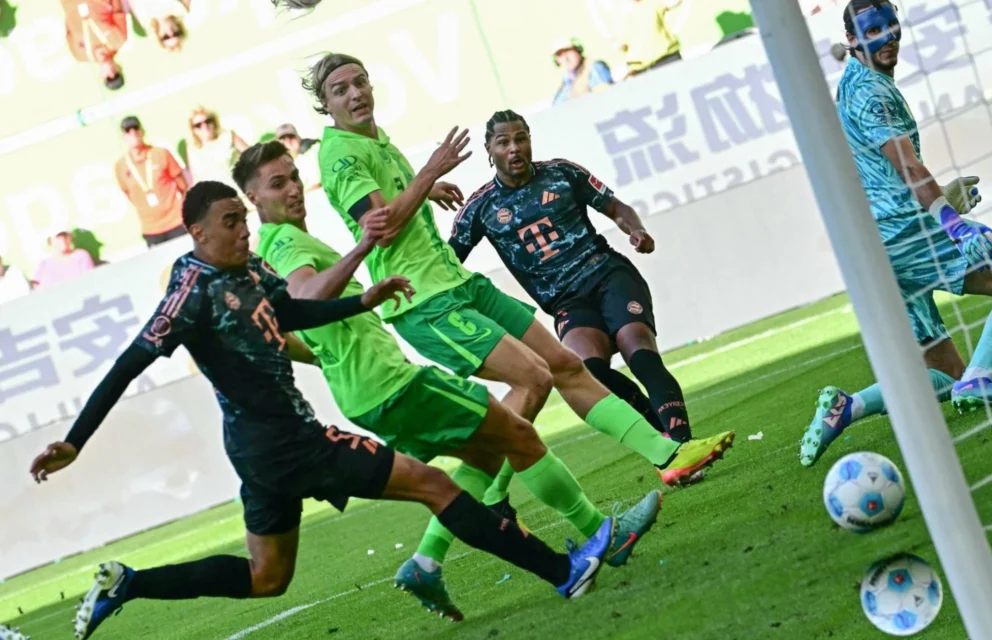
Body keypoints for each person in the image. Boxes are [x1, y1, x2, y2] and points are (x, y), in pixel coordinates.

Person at [28, 181, 618, 640]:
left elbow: (289, 313)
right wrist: (76, 442)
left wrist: (362, 299)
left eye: (242, 220)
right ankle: (562, 571)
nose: (243, 232)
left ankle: (129, 584)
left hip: (263, 453)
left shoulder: (251, 270)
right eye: (230, 223)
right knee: (435, 485)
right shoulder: (190, 291)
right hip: (288, 445)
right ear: (197, 233)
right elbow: (130, 361)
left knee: (267, 578)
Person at [236, 141, 662, 621]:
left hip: (365, 392)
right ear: (253, 198)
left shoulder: (278, 250)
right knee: (517, 429)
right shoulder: (287, 244)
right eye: (278, 183)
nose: (293, 189)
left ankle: (426, 562)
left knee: (469, 461)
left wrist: (331, 352)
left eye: (293, 177)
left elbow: (292, 327)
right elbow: (309, 296)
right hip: (392, 384)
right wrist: (363, 248)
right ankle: (602, 535)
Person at [305, 52, 730, 512]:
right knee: (532, 380)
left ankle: (670, 453)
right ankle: (466, 517)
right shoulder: (341, 155)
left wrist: (425, 188)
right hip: (424, 302)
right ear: (325, 105)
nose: (356, 94)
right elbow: (380, 228)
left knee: (564, 366)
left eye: (360, 83)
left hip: (459, 283)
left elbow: (387, 202)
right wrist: (429, 172)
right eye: (341, 90)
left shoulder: (377, 141)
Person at [800, 0, 992, 466]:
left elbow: (878, 171)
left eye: (890, 25)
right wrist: (952, 222)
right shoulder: (872, 94)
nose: (886, 37)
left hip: (875, 244)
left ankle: (849, 406)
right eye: (872, 30)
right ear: (853, 41)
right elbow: (905, 163)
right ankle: (982, 377)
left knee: (944, 371)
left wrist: (942, 199)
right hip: (906, 234)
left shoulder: (853, 86)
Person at [451, 109, 717, 454]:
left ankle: (684, 443)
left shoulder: (562, 173)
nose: (514, 148)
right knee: (587, 372)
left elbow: (616, 207)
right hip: (567, 302)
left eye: (521, 139)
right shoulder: (480, 208)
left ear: (530, 140)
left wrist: (636, 230)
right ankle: (663, 439)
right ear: (490, 149)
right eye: (504, 142)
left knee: (638, 348)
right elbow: (448, 260)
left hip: (607, 274)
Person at [114, 115, 189, 247]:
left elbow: (182, 184)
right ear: (123, 137)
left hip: (176, 221)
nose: (133, 133)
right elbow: (128, 194)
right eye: (128, 131)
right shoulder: (120, 166)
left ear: (142, 131)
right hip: (151, 229)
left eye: (136, 128)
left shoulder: (161, 153)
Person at [61, 0, 126, 90]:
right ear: (119, 68)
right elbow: (117, 9)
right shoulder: (119, 40)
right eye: (116, 74)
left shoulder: (80, 56)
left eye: (108, 77)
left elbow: (67, 30)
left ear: (101, 77)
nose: (111, 73)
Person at [183, 106, 248, 187]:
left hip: (240, 190)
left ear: (214, 121)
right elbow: (196, 180)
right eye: (198, 125)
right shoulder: (193, 151)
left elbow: (252, 155)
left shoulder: (228, 137)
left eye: (208, 121)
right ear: (193, 130)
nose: (204, 126)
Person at [617, 0, 683, 78]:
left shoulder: (653, 3)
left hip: (666, 59)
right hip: (641, 69)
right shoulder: (624, 12)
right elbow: (622, 44)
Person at [551, 37, 613, 106]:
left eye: (568, 51)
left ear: (578, 50)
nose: (566, 58)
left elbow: (606, 100)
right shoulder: (565, 83)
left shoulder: (594, 68)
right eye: (560, 55)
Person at [275, 123, 321, 191]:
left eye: (291, 137)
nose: (288, 142)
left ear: (298, 136)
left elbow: (317, 183)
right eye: (284, 139)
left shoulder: (314, 150)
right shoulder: (290, 160)